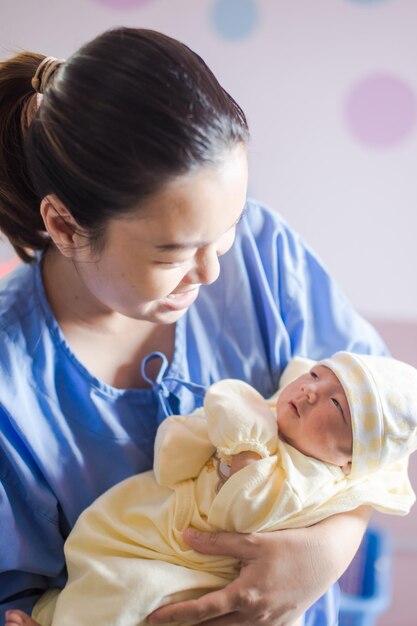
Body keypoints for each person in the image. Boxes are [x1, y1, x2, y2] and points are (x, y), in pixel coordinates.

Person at [0, 26, 394, 626]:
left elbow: (383, 428)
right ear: (62, 225)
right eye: (173, 254)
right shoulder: (13, 385)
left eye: (227, 227)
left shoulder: (267, 254)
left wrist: (327, 550)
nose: (211, 271)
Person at [5, 351, 417, 626]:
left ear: (352, 458)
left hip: (185, 562)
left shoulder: (311, 479)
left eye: (336, 405)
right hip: (146, 525)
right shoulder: (281, 416)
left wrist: (244, 448)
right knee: (99, 566)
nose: (311, 390)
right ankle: (57, 613)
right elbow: (173, 452)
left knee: (134, 593)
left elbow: (244, 510)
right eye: (316, 376)